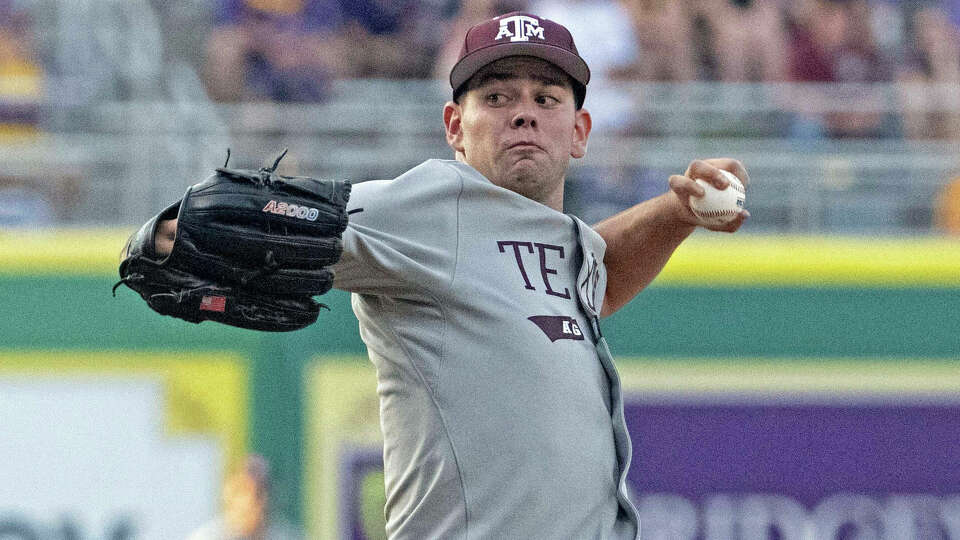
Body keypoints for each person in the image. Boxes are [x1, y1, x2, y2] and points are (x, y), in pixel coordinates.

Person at [155, 11, 749, 539]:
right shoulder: (434, 207)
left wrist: (676, 212)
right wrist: (171, 235)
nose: (524, 113)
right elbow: (233, 227)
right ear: (454, 127)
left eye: (547, 98)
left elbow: (601, 275)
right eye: (496, 97)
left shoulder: (562, 244)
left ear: (580, 133)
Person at [188, 454, 304, 540]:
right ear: (230, 494)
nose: (260, 501)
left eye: (265, 490)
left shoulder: (288, 536)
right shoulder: (208, 537)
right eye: (252, 492)